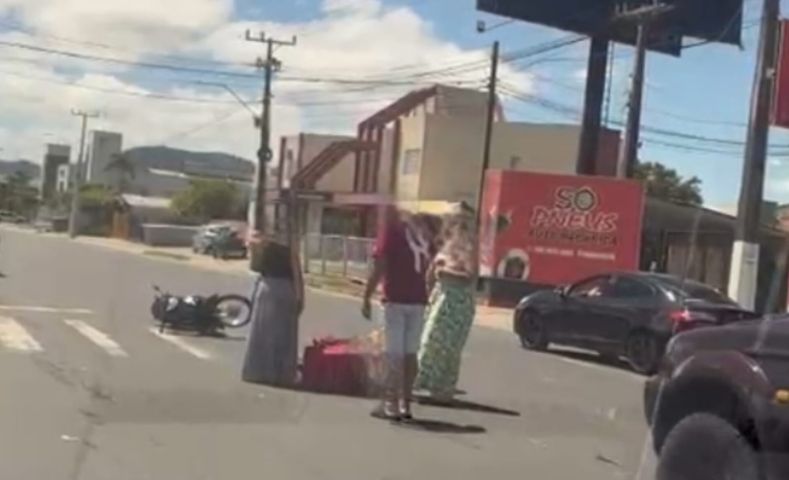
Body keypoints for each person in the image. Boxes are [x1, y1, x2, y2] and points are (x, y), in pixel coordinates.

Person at [362, 206, 432, 421]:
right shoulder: (420, 233)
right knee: (410, 354)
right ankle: (406, 403)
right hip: (417, 299)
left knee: (393, 354)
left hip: (395, 298)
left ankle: (390, 404)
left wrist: (366, 295)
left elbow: (380, 265)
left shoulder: (391, 232)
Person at [415, 202, 477, 403]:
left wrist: (444, 272)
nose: (452, 225)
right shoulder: (447, 244)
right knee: (429, 339)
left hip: (457, 300)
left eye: (457, 222)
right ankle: (423, 382)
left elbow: (470, 275)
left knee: (446, 345)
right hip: (440, 297)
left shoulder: (469, 246)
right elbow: (432, 269)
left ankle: (442, 388)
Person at [242, 228, 305, 387]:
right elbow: (297, 274)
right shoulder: (290, 248)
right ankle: (281, 373)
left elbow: (254, 267)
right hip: (286, 289)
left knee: (263, 330)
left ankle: (258, 371)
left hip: (267, 287)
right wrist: (300, 298)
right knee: (284, 333)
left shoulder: (260, 245)